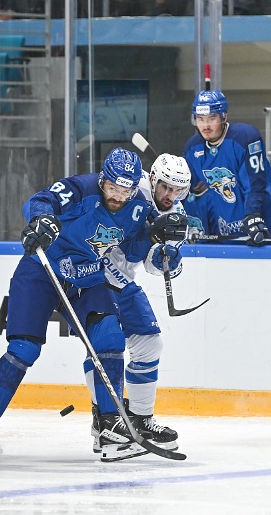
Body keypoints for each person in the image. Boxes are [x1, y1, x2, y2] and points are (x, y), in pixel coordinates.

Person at [0, 148, 186, 463]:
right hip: (42, 271)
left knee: (110, 336)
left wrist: (156, 241)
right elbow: (40, 201)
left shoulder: (138, 206)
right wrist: (41, 220)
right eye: (113, 188)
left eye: (125, 191)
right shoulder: (80, 188)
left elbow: (135, 251)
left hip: (87, 277)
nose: (118, 196)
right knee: (24, 349)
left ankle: (109, 426)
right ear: (103, 179)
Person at [88, 153, 192, 456]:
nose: (170, 195)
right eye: (166, 187)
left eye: (178, 190)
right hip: (90, 276)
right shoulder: (131, 188)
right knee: (103, 347)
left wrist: (168, 259)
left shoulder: (177, 214)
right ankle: (104, 421)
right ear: (152, 179)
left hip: (122, 280)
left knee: (150, 344)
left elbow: (151, 265)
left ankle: (141, 419)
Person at [182, 89, 271, 245]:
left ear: (224, 117)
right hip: (230, 225)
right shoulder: (192, 148)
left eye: (211, 118)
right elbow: (187, 186)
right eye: (200, 119)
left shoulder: (246, 137)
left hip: (267, 221)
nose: (205, 125)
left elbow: (255, 182)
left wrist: (253, 215)